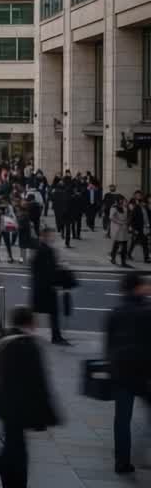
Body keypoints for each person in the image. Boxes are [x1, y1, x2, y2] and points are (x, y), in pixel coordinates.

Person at [0, 307, 60, 488]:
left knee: (15, 453)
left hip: (4, 407)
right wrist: (48, 414)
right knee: (11, 456)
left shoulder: (2, 338)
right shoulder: (28, 345)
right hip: (19, 409)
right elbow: (39, 382)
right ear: (29, 322)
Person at [105, 273, 151, 474]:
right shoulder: (146, 311)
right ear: (137, 288)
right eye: (145, 284)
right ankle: (142, 452)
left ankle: (121, 461)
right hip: (143, 373)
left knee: (122, 420)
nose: (148, 287)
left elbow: (109, 345)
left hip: (121, 372)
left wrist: (112, 368)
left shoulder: (115, 312)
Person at [31, 227, 70, 346]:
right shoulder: (45, 250)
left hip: (42, 288)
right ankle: (55, 337)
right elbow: (47, 270)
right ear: (44, 236)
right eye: (50, 235)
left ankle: (55, 336)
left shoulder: (42, 249)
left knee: (47, 313)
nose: (53, 237)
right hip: (45, 288)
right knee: (50, 313)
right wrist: (55, 282)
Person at [0, 195, 18, 263]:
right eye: (1, 200)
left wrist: (14, 223)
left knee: (7, 242)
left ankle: (10, 256)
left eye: (4, 200)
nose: (3, 202)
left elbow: (13, 216)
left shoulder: (9, 207)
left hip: (5, 228)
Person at [109, 196, 132, 268]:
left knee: (124, 245)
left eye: (124, 200)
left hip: (124, 228)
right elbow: (111, 217)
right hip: (117, 229)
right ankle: (113, 258)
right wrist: (120, 222)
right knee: (116, 244)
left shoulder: (125, 208)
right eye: (122, 200)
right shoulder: (114, 207)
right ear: (119, 200)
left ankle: (123, 261)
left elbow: (128, 217)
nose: (124, 201)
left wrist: (127, 222)